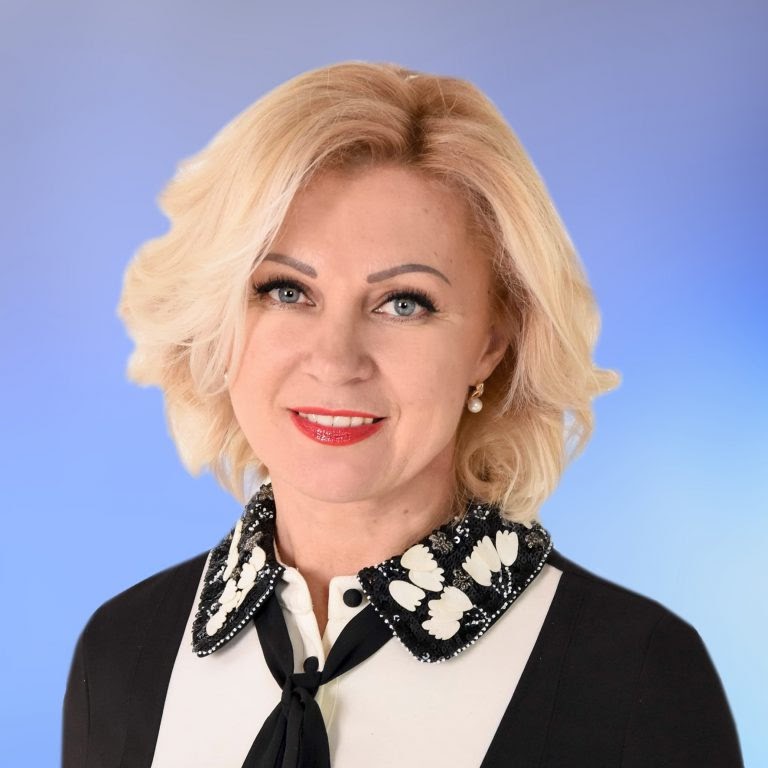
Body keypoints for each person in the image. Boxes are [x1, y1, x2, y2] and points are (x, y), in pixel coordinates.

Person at [62, 61, 743, 767]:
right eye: (286, 290)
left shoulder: (637, 680)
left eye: (403, 303)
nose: (335, 360)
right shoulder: (121, 656)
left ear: (492, 342)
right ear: (216, 315)